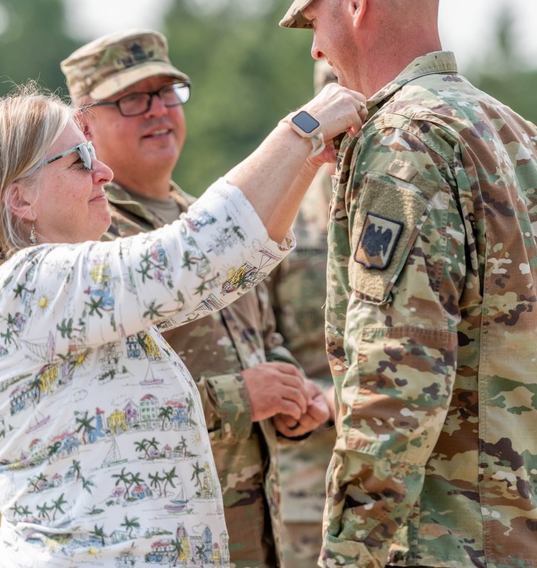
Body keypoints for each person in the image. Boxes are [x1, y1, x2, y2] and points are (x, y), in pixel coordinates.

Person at [0, 82, 365, 567]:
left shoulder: (59, 294)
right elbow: (190, 256)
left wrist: (300, 163)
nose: (103, 171)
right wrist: (301, 130)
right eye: (80, 160)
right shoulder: (25, 288)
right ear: (21, 200)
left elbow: (221, 274)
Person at [279, 0, 537, 567]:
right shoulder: (524, 137)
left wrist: (347, 553)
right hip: (535, 535)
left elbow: (396, 378)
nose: (314, 47)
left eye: (313, 18)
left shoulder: (402, 141)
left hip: (445, 542)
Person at [59, 29, 334, 567]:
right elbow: (97, 409)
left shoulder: (205, 221)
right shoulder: (90, 243)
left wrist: (290, 393)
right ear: (85, 124)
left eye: (168, 93)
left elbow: (263, 335)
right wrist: (241, 398)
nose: (159, 112)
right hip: (159, 537)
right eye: (133, 99)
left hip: (251, 532)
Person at [268, 60, 339, 568]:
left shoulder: (423, 205)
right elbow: (250, 338)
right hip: (304, 484)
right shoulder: (281, 214)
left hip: (407, 482)